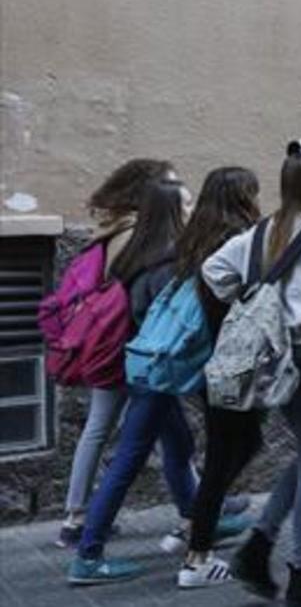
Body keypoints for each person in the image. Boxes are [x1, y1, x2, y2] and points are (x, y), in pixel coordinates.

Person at [69, 177, 255, 584]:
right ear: (171, 211)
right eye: (185, 205)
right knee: (129, 458)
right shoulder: (169, 260)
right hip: (157, 373)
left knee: (180, 444)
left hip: (141, 365)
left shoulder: (133, 253)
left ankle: (197, 518)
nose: (190, 211)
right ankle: (88, 553)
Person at [205, 138, 301, 605]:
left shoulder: (260, 233)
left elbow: (213, 271)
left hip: (270, 359)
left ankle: (260, 543)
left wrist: (249, 300)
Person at [56, 159, 175, 549]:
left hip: (106, 340)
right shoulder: (134, 232)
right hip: (125, 344)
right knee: (154, 426)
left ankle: (76, 515)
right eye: (169, 184)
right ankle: (199, 506)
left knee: (111, 426)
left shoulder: (111, 226)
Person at [177, 167, 268, 588]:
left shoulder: (195, 239)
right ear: (240, 197)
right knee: (224, 455)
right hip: (234, 360)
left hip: (208, 360)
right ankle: (197, 557)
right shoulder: (238, 242)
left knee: (238, 445)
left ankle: (197, 526)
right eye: (253, 192)